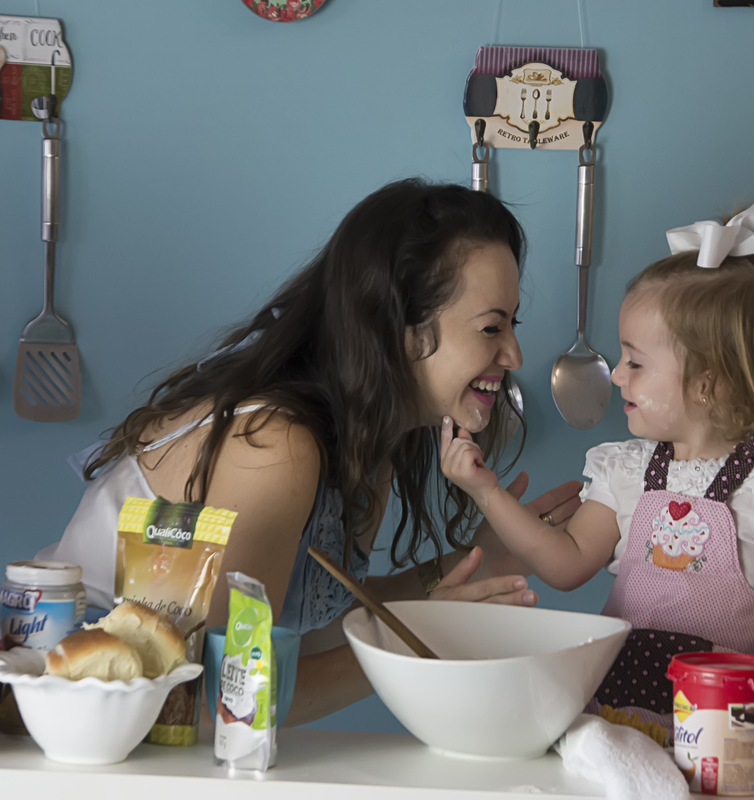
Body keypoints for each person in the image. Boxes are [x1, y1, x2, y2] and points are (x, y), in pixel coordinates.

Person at [41, 179, 582, 725]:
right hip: (73, 724)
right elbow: (225, 698)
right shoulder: (276, 445)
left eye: (513, 323)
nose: (513, 352)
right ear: (401, 329)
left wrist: (476, 560)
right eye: (492, 326)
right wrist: (417, 639)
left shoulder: (370, 445)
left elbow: (319, 616)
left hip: (150, 740)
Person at [440, 197, 754, 729]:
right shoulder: (626, 472)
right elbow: (565, 562)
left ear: (709, 382)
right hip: (623, 709)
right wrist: (487, 491)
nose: (616, 375)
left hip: (732, 723)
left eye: (635, 361)